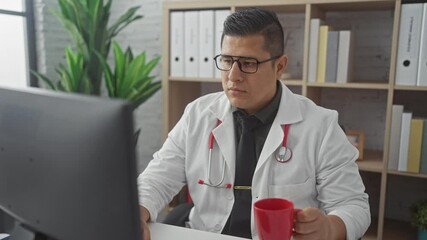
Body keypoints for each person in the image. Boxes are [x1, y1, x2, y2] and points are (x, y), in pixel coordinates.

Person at [138, 8, 370, 240]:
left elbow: (353, 205)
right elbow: (157, 178)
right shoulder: (197, 114)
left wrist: (330, 228)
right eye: (227, 60)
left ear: (279, 66)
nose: (233, 76)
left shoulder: (321, 126)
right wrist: (137, 211)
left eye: (248, 63)